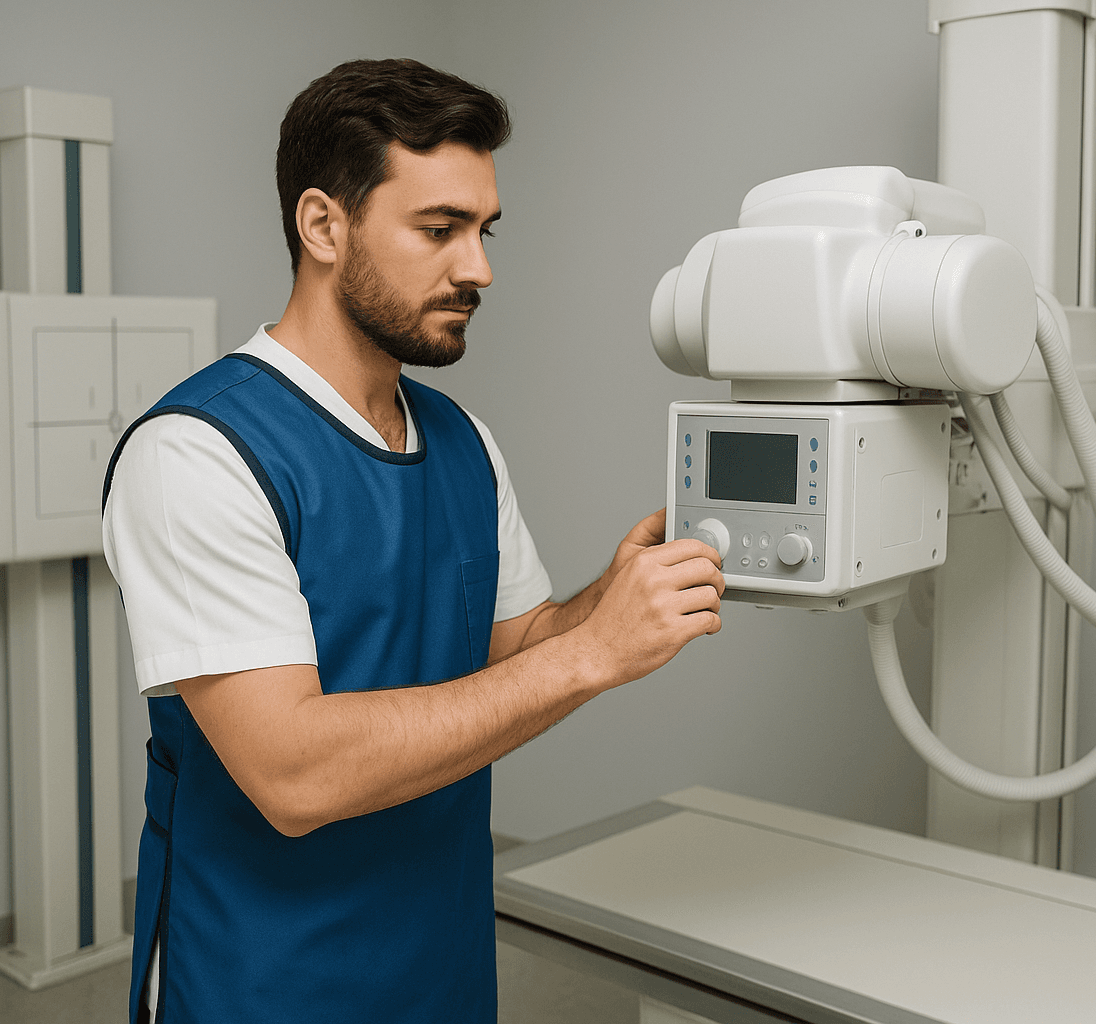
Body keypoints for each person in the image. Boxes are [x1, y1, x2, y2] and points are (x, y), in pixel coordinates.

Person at [101, 58, 724, 1024]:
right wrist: (597, 655)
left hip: (439, 957)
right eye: (440, 230)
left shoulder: (463, 441)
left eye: (483, 230)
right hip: (264, 976)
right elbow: (294, 774)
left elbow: (512, 652)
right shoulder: (198, 453)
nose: (477, 267)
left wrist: (615, 596)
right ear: (323, 226)